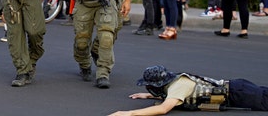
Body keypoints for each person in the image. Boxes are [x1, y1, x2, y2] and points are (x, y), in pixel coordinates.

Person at [108, 65, 268, 115]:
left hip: (238, 93)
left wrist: (128, 113)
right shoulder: (174, 82)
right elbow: (170, 94)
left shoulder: (179, 86)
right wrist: (147, 95)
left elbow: (163, 109)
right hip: (237, 88)